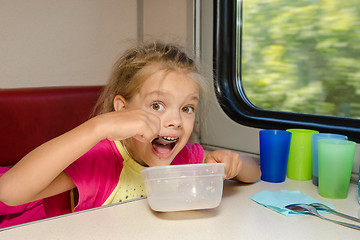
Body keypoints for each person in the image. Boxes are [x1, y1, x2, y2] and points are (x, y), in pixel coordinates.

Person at [0, 41, 261, 228]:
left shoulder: (185, 159)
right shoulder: (101, 161)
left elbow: (253, 172)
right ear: (121, 111)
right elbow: (9, 192)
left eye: (187, 108)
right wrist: (99, 126)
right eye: (157, 106)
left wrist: (233, 163)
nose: (176, 121)